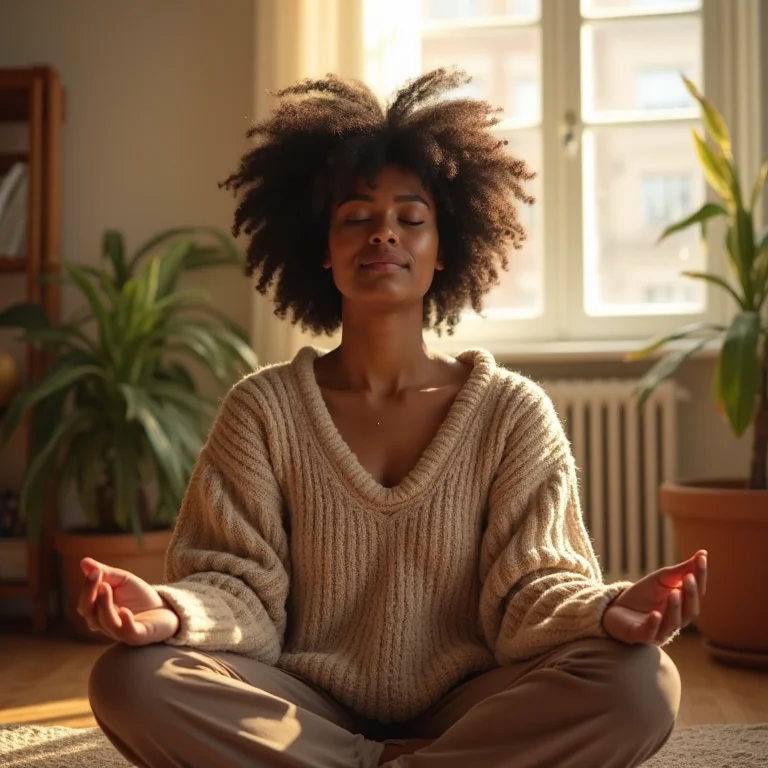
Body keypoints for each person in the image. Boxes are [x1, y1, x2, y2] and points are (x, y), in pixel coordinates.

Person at [84, 68, 705, 768]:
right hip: (299, 699)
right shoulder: (262, 411)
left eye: (411, 219)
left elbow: (532, 592)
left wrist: (607, 611)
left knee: (642, 684)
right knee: (129, 678)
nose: (384, 233)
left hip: (471, 702)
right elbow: (238, 592)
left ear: (445, 249)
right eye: (357, 218)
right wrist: (171, 612)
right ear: (323, 248)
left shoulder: (511, 413)